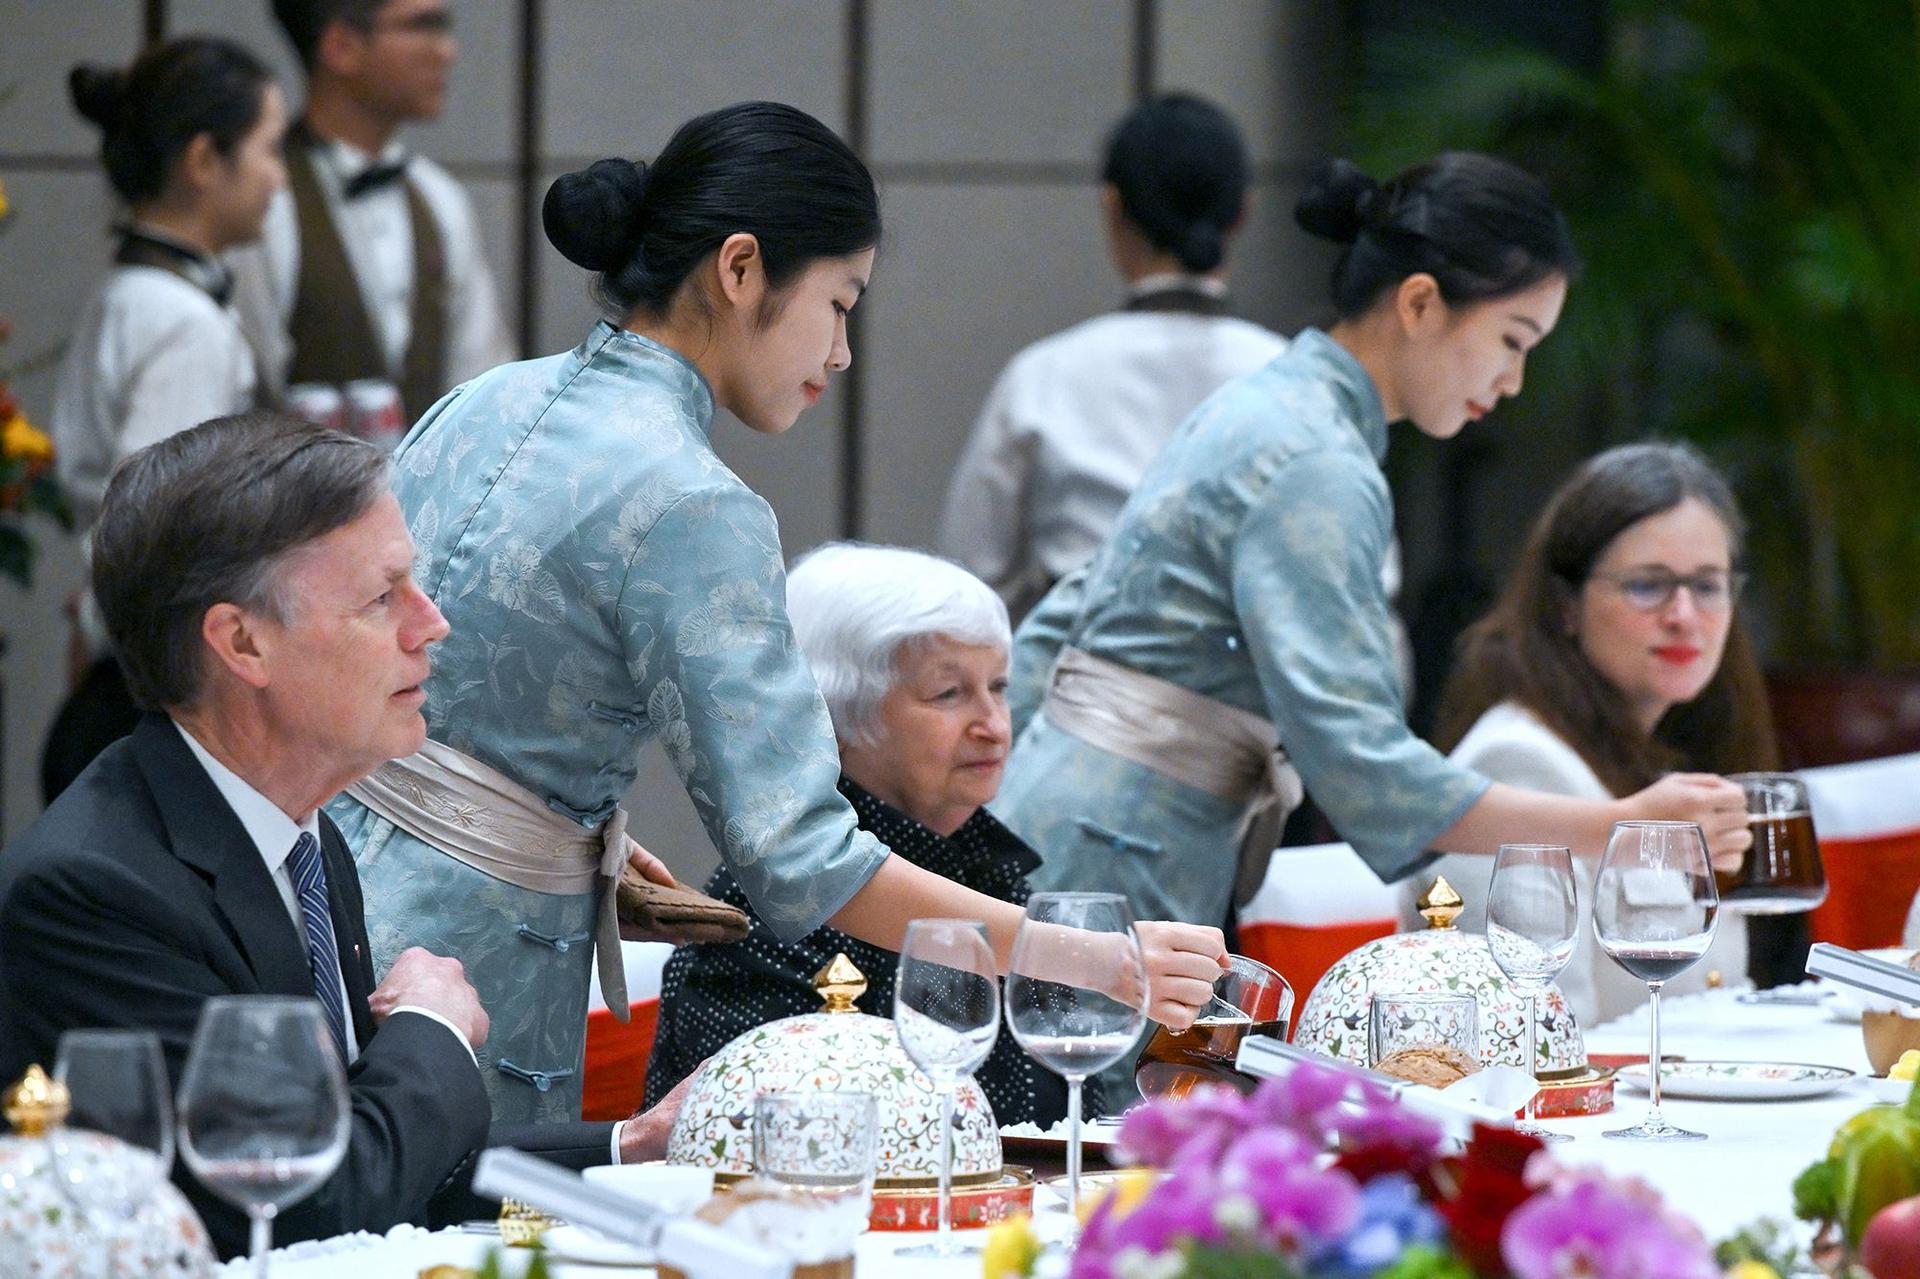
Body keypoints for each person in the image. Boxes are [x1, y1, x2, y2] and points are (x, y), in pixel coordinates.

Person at [326, 101, 1226, 1126]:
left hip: (323, 896)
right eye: (841, 303)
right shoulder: (693, 498)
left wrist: (564, 829)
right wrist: (1091, 958)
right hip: (468, 964)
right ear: (741, 269)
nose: (842, 352)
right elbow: (802, 861)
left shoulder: (482, 399)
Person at [993, 153, 1752, 948]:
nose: (1514, 379)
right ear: (1421, 303)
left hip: (1068, 817)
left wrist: (986, 804)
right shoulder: (1317, 458)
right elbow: (1367, 765)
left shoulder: (1270, 403)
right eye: (1512, 339)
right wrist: (1621, 824)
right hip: (1117, 847)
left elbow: (1065, 618)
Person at [0, 414, 688, 1261]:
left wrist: (633, 1145)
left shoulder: (296, 833)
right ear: (242, 642)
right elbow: (302, 1204)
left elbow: (390, 1159)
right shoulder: (93, 891)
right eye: (381, 597)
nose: (431, 624)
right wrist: (430, 1029)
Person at [646, 543, 1075, 1124]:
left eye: (998, 687)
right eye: (949, 694)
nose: (994, 726)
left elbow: (1072, 1110)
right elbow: (764, 1143)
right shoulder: (768, 918)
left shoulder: (995, 874)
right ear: (838, 718)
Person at [1420, 442, 1780, 1023]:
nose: (1684, 615)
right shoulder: (1518, 761)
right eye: (1647, 585)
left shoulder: (1666, 754)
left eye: (1708, 586)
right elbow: (1536, 1036)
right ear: (1566, 605)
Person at [42, 37, 287, 802]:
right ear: (204, 161)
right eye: (270, 150)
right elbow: (156, 530)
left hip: (122, 676)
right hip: (150, 701)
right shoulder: (181, 319)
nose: (280, 178)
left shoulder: (131, 294)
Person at [938, 93, 1287, 617]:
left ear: (1112, 205)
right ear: (1244, 211)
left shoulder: (1045, 375)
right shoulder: (1293, 376)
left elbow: (969, 581)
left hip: (1077, 678)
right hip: (1257, 685)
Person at [229, 0, 514, 420]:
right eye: (423, 26)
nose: (446, 51)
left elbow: (484, 386)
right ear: (342, 47)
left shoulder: (440, 197)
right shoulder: (264, 200)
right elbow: (243, 389)